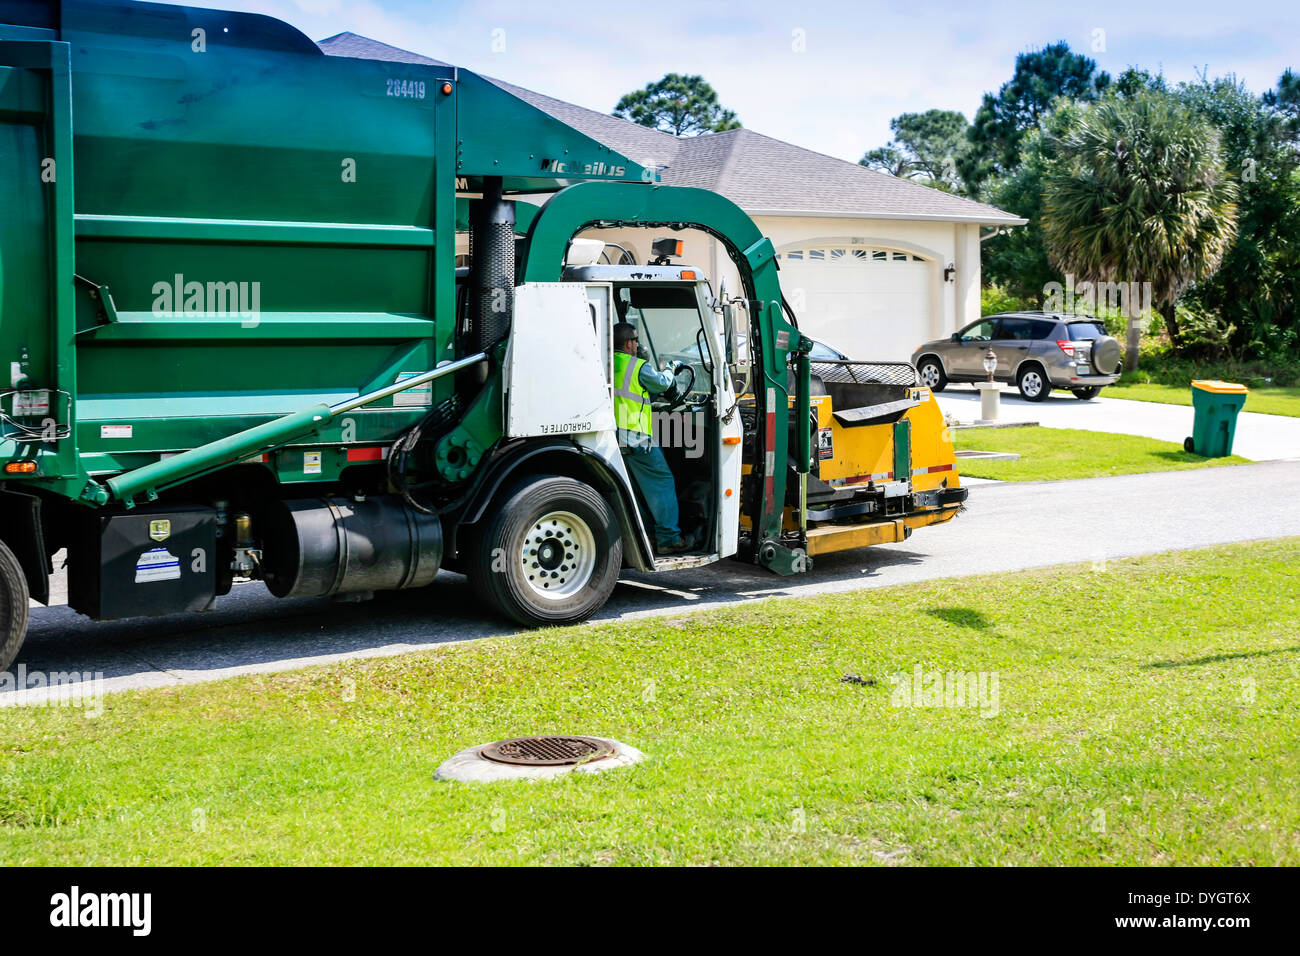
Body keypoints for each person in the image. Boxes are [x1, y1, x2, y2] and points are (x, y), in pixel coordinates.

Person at [612, 322, 689, 555]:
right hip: (637, 439)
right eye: (635, 340)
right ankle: (668, 538)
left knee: (633, 488)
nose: (638, 344)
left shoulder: (606, 362)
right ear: (628, 343)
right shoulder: (637, 366)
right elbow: (663, 383)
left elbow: (630, 396)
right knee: (662, 481)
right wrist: (672, 368)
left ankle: (644, 533)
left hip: (614, 437)